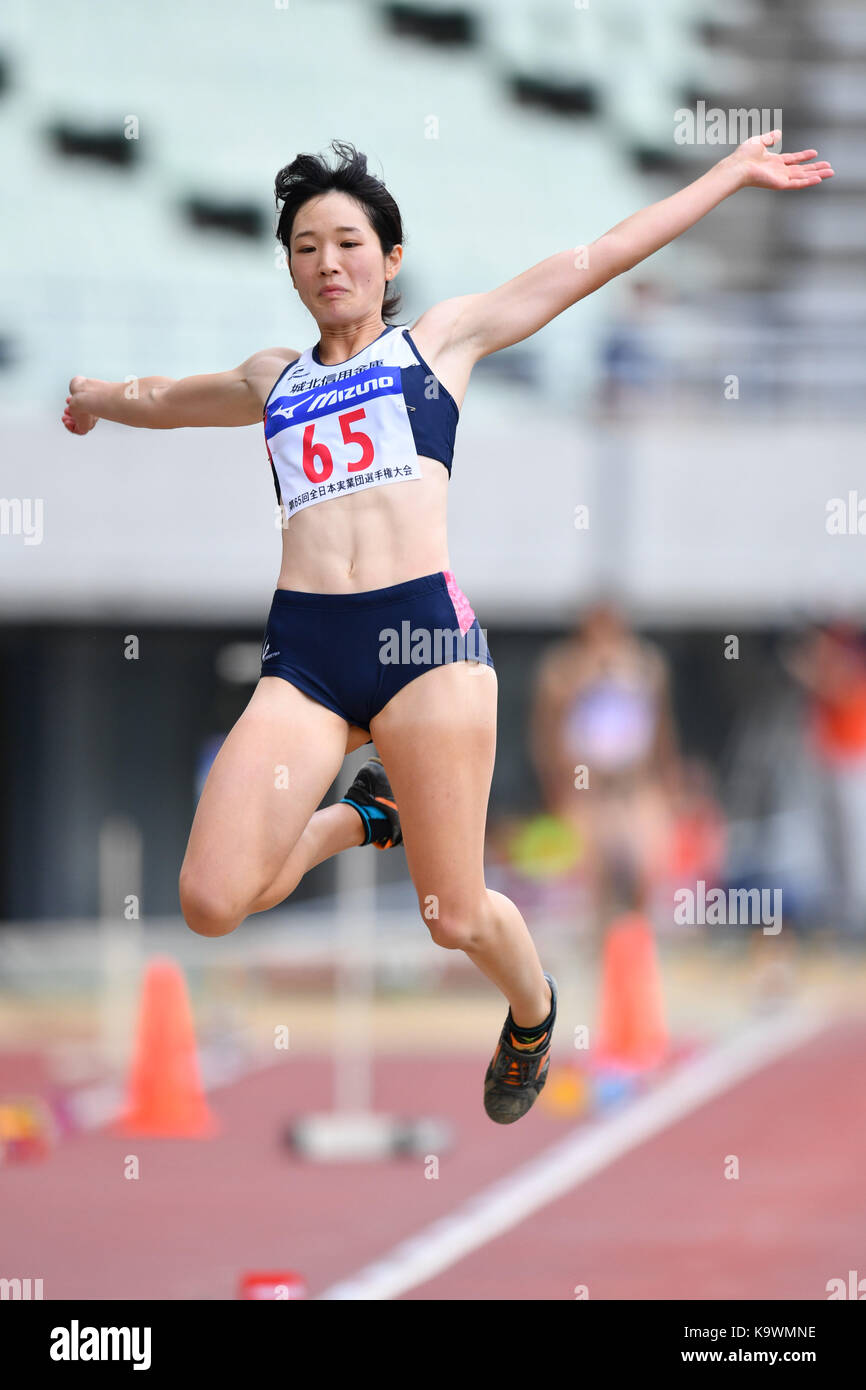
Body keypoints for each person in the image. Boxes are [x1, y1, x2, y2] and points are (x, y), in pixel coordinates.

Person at [62, 132, 833, 1123]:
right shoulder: (273, 380)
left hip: (422, 646)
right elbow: (166, 399)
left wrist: (725, 176)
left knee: (454, 914)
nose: (325, 262)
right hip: (304, 656)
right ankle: (361, 818)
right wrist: (93, 397)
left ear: (388, 258)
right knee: (212, 899)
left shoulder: (439, 342)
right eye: (303, 246)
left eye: (346, 241)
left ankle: (531, 1007)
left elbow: (591, 261)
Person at [529, 599, 680, 933]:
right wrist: (554, 785)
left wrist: (671, 781)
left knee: (646, 864)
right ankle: (602, 944)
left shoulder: (645, 665)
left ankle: (639, 939)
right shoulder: (563, 668)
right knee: (592, 874)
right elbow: (546, 733)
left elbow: (662, 730)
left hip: (633, 785)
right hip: (585, 788)